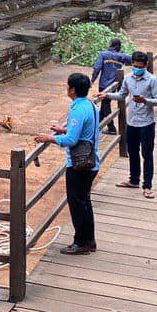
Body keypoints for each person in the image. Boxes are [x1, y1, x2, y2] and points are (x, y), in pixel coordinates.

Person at [36, 71, 99, 255]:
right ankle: (89, 240)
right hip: (91, 160)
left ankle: (81, 242)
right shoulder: (90, 105)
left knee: (77, 203)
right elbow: (85, 129)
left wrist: (50, 138)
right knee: (84, 201)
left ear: (72, 89)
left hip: (79, 164)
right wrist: (64, 129)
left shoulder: (77, 109)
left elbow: (71, 140)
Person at [106, 49, 157, 198]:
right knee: (132, 152)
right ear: (132, 64)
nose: (137, 69)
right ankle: (134, 180)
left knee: (147, 154)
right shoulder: (127, 78)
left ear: (146, 65)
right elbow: (122, 95)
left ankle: (147, 185)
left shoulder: (152, 80)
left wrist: (145, 101)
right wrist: (106, 95)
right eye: (135, 66)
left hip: (146, 123)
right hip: (131, 122)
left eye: (140, 67)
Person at [92, 38, 131, 135]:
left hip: (103, 84)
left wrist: (92, 80)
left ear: (110, 44)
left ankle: (111, 128)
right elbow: (134, 60)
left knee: (106, 105)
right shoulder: (122, 56)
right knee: (105, 104)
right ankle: (97, 125)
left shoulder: (103, 54)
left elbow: (97, 68)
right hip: (114, 85)